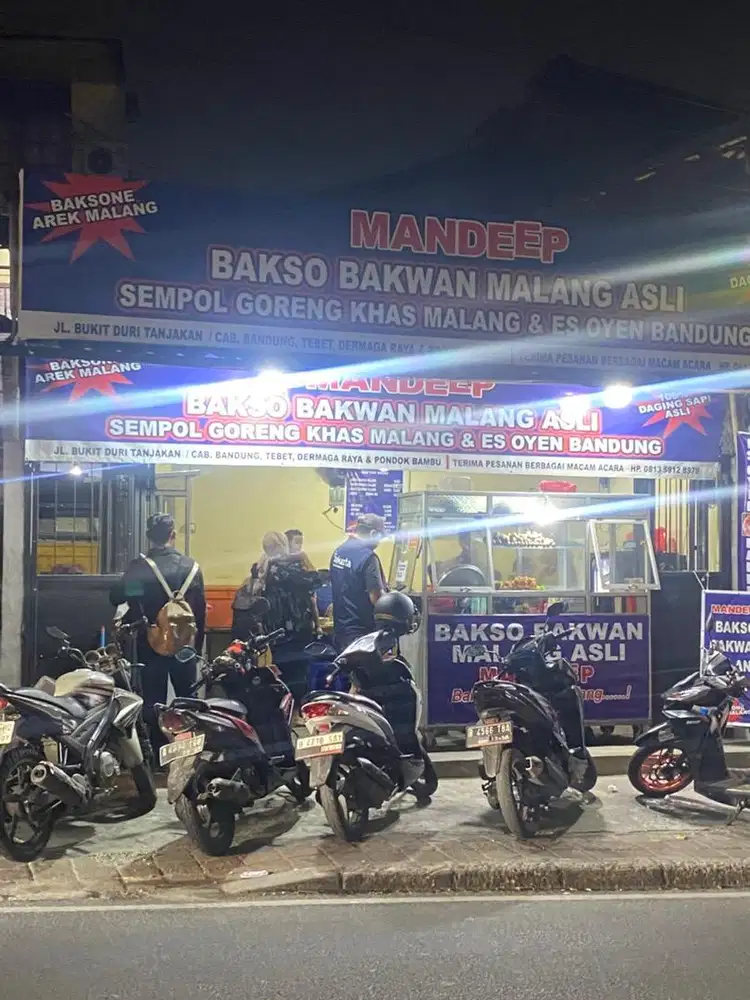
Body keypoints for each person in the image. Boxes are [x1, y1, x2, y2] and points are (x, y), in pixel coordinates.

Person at [109, 512, 206, 754]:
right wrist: (196, 646)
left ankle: (158, 752)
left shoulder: (140, 568)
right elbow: (201, 612)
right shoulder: (192, 568)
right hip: (185, 644)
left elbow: (118, 597)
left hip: (150, 642)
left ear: (148, 537)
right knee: (187, 697)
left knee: (154, 699)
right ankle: (190, 749)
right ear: (173, 535)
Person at [329, 513, 387, 651]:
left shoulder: (339, 551)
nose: (379, 542)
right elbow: (376, 598)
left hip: (341, 629)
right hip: (362, 633)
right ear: (373, 533)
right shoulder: (368, 557)